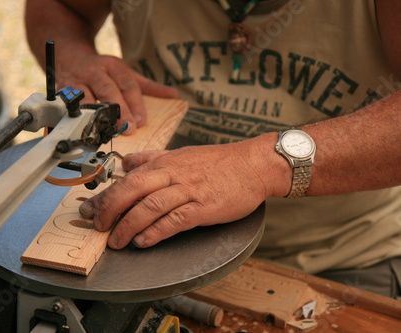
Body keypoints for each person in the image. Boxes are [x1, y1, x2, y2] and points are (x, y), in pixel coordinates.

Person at [25, 0, 401, 298]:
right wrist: (75, 61)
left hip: (337, 255)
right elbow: (61, 5)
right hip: (141, 245)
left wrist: (261, 166)